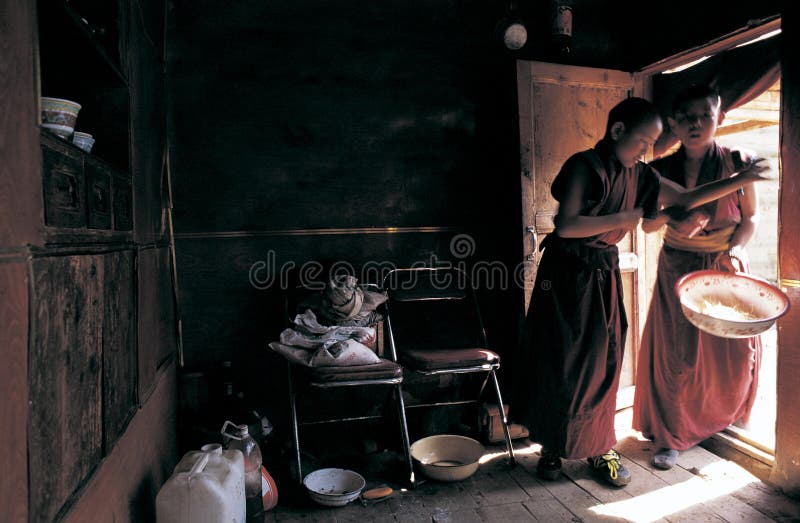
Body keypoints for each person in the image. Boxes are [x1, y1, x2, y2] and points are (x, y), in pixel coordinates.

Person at [510, 96, 767, 488]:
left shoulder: (641, 174)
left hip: (604, 271)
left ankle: (599, 447)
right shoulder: (584, 166)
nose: (647, 151)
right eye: (643, 141)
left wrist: (740, 181)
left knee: (606, 359)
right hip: (567, 276)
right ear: (617, 132)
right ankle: (552, 446)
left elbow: (683, 197)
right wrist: (627, 217)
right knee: (562, 360)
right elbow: (565, 225)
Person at [633, 84, 769, 471]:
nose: (695, 124)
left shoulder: (740, 161)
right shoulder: (659, 170)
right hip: (677, 266)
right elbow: (646, 225)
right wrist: (677, 220)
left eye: (704, 116)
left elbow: (751, 216)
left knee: (734, 353)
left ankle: (723, 422)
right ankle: (672, 435)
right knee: (679, 356)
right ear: (673, 123)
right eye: (686, 117)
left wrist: (736, 249)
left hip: (723, 265)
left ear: (719, 118)